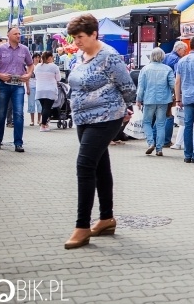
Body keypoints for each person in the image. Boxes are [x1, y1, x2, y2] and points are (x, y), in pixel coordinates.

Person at [63, 14, 136, 250]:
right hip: (82, 118)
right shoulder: (80, 55)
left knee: (84, 166)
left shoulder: (110, 57)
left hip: (106, 117)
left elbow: (127, 87)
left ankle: (82, 226)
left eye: (80, 37)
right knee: (100, 166)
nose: (76, 42)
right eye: (74, 38)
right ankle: (106, 219)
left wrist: (127, 110)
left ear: (95, 33)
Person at [0, 26, 34, 152]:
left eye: (19, 34)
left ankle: (18, 143)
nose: (18, 36)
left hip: (18, 85)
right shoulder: (0, 49)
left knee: (19, 114)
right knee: (1, 114)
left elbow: (30, 64)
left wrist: (28, 74)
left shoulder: (24, 50)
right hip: (3, 84)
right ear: (8, 36)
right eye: (15, 34)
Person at [136, 47, 175, 157]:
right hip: (164, 100)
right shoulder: (168, 69)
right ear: (162, 57)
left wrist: (138, 100)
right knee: (161, 124)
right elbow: (173, 85)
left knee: (147, 122)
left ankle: (150, 142)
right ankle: (159, 149)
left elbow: (141, 87)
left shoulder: (145, 69)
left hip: (149, 99)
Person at [163, 41, 188, 149]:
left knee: (161, 116)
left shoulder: (165, 56)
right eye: (184, 50)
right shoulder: (178, 60)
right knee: (170, 115)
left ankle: (157, 139)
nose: (185, 52)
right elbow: (177, 77)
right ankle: (166, 141)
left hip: (161, 90)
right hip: (171, 90)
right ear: (179, 49)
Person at [34, 51, 60, 131]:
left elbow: (36, 76)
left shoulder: (37, 66)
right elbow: (58, 79)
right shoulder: (54, 67)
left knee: (44, 108)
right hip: (50, 90)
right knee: (47, 108)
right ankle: (43, 125)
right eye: (52, 57)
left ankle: (45, 124)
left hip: (40, 90)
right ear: (50, 58)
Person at [27, 53, 42, 126]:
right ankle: (32, 120)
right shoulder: (30, 66)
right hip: (31, 85)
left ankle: (39, 120)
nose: (37, 59)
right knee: (31, 104)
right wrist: (27, 88)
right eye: (35, 57)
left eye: (38, 57)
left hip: (39, 86)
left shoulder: (41, 66)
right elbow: (27, 77)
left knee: (39, 103)